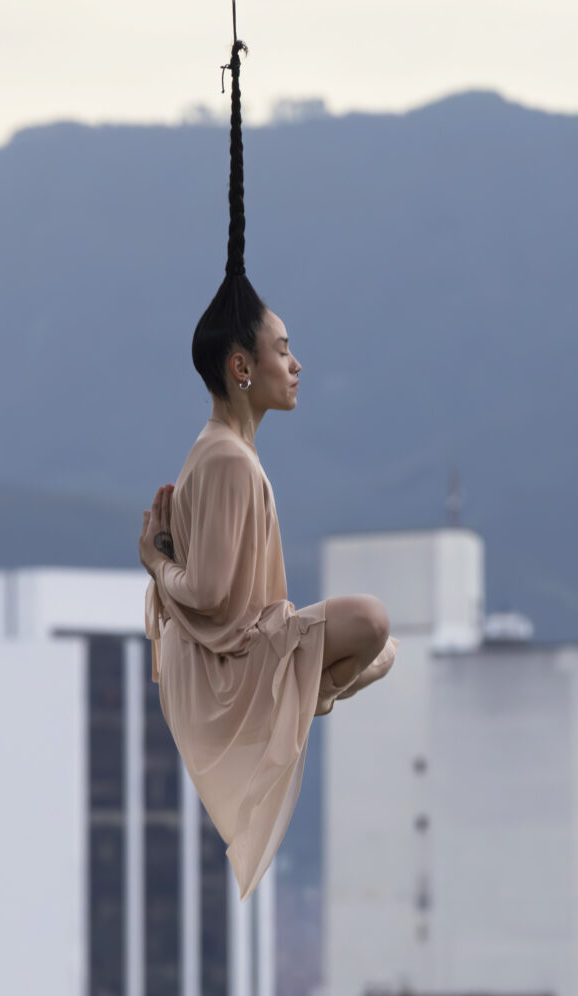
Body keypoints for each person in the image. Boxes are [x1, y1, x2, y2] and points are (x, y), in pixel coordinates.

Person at [140, 247, 397, 900]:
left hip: (237, 654)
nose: (296, 362)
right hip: (231, 665)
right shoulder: (227, 458)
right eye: (283, 349)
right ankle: (287, 699)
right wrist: (158, 564)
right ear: (241, 366)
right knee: (372, 622)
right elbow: (203, 593)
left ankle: (293, 698)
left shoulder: (228, 451)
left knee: (384, 652)